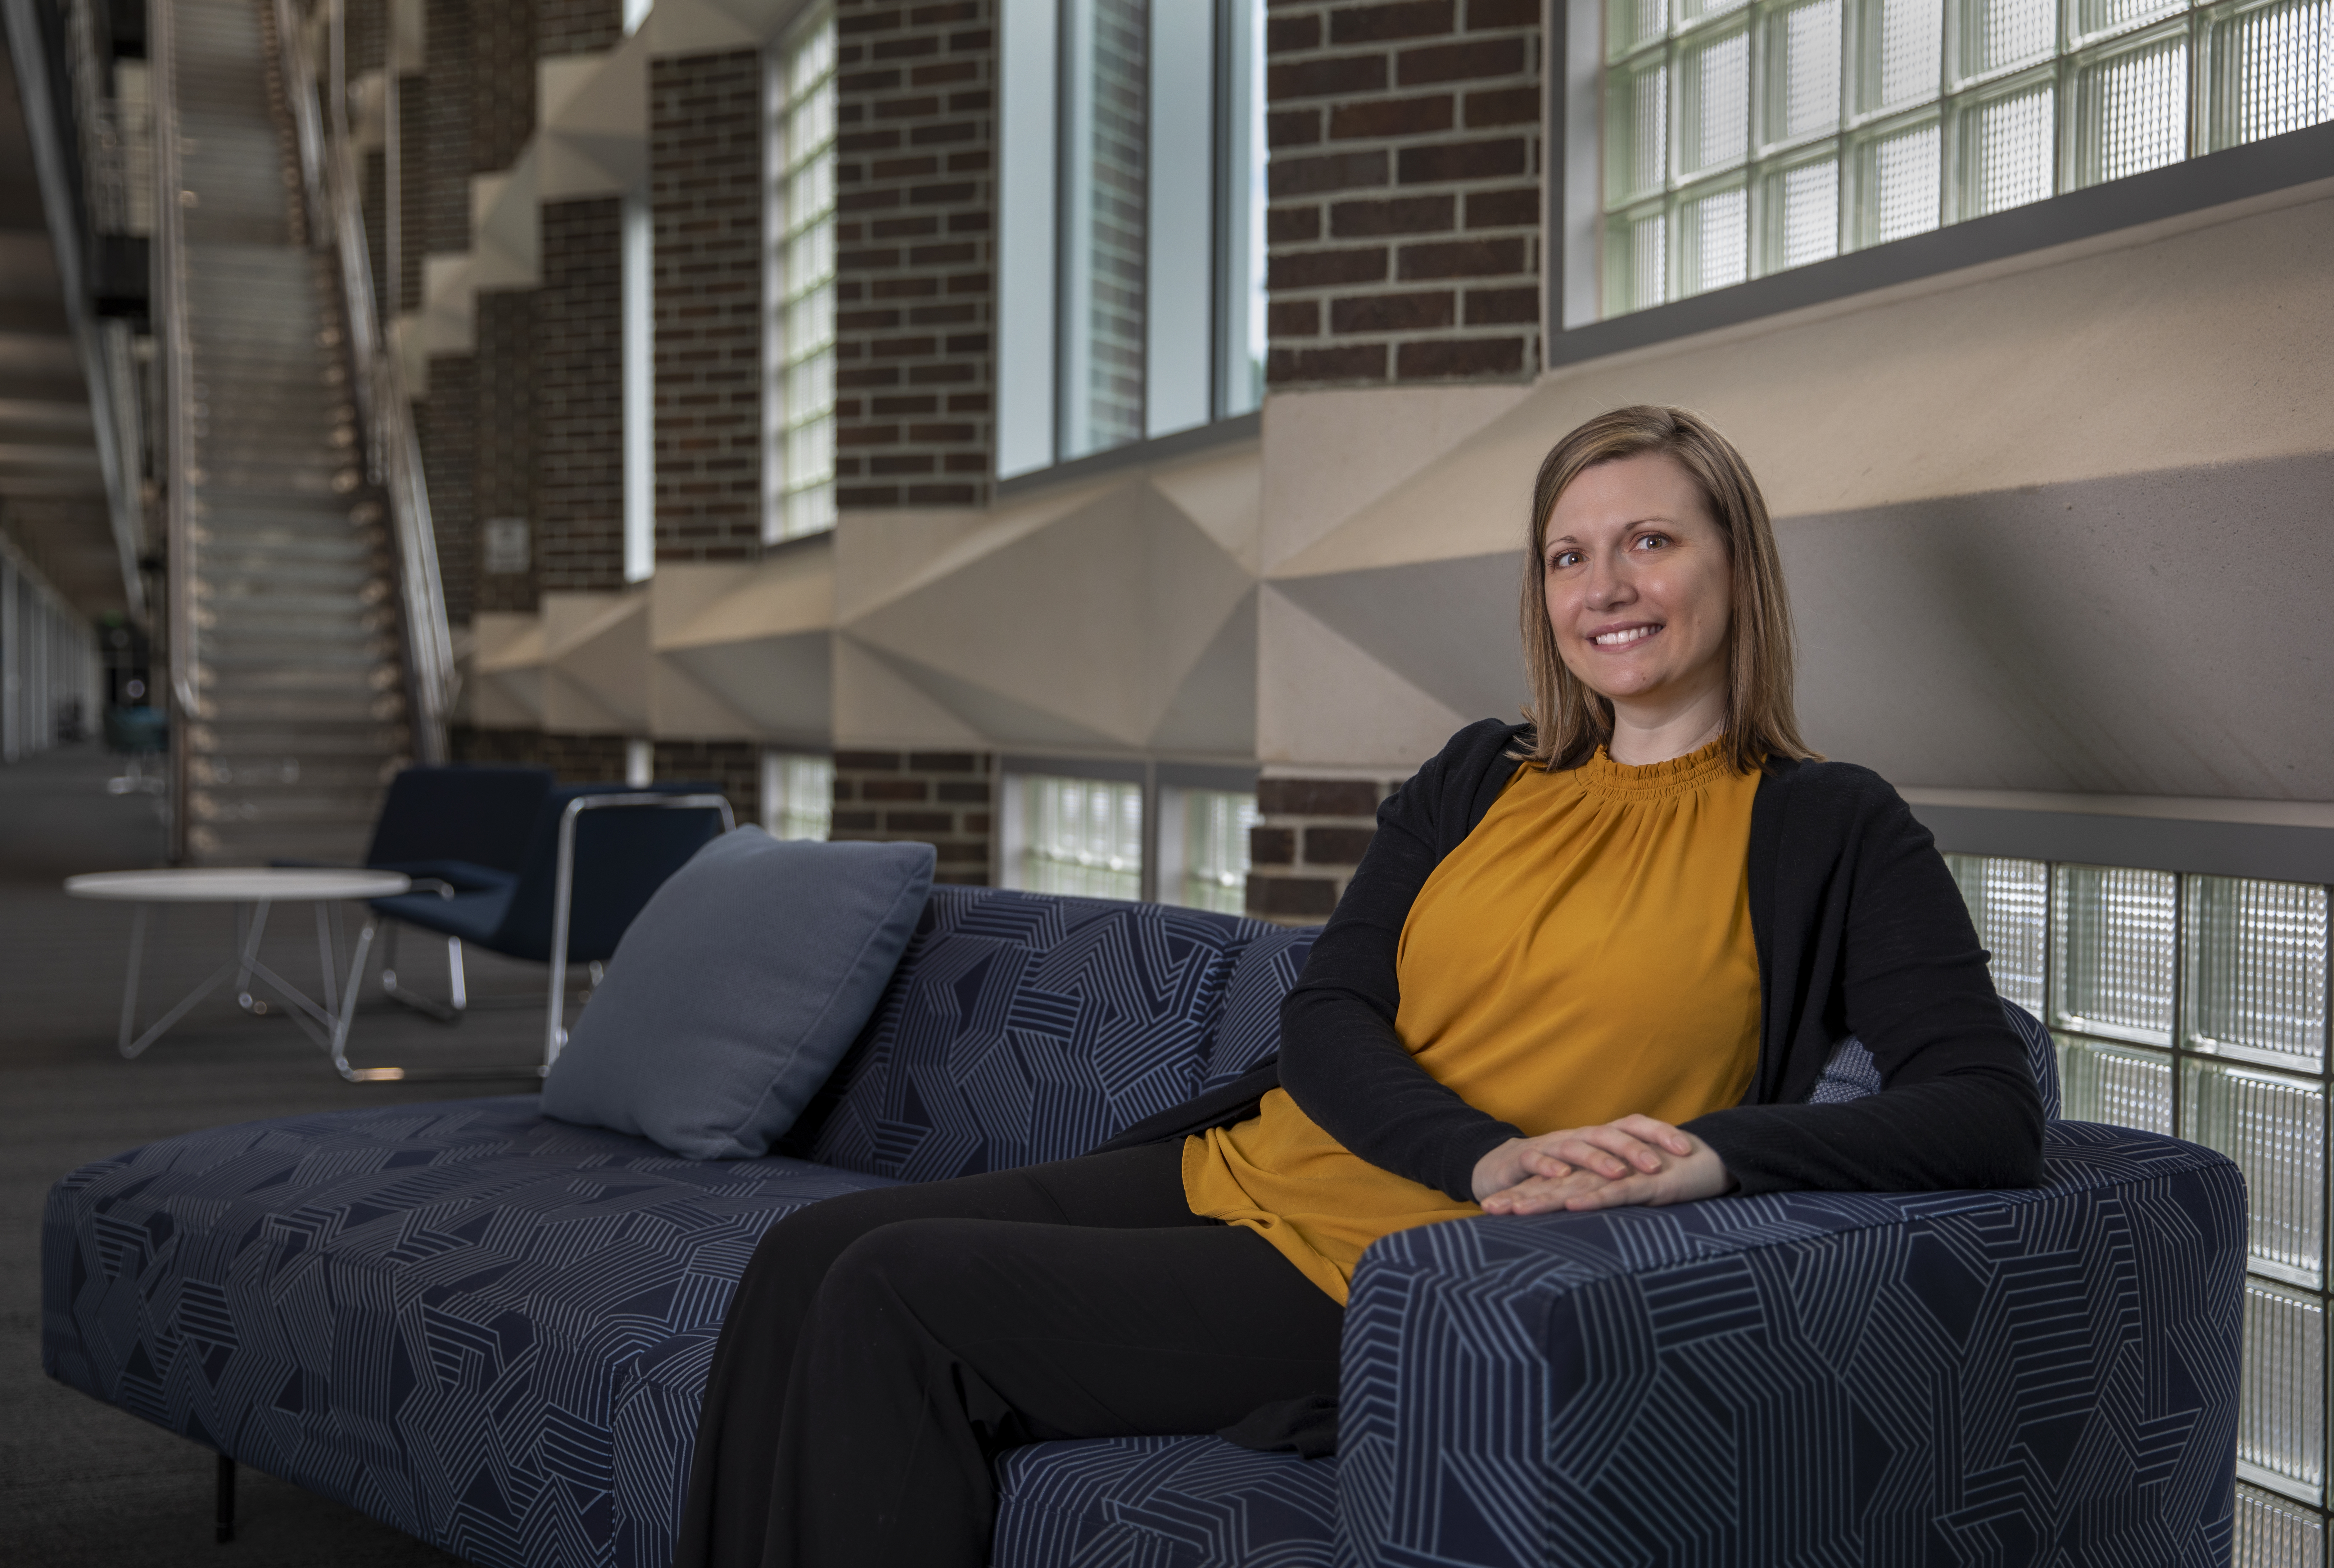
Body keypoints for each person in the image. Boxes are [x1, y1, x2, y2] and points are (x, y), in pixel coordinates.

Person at [672, 405, 2044, 1568]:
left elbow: (1986, 1109)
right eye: (1570, 555)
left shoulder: (1835, 827)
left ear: (1736, 567)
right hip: (1258, 1166)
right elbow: (1326, 1014)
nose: (1605, 586)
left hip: (1392, 1272)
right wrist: (1484, 1152)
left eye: (1649, 541)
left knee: (900, 1290)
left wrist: (1711, 1157)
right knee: (800, 1255)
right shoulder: (1479, 776)